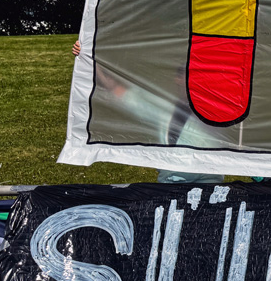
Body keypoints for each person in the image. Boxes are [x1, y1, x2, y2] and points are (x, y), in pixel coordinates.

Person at [72, 39, 224, 184]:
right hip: (174, 180)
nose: (194, 80)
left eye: (198, 76)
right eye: (189, 75)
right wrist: (87, 56)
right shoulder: (161, 108)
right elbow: (113, 87)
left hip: (209, 178)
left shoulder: (219, 107)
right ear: (178, 79)